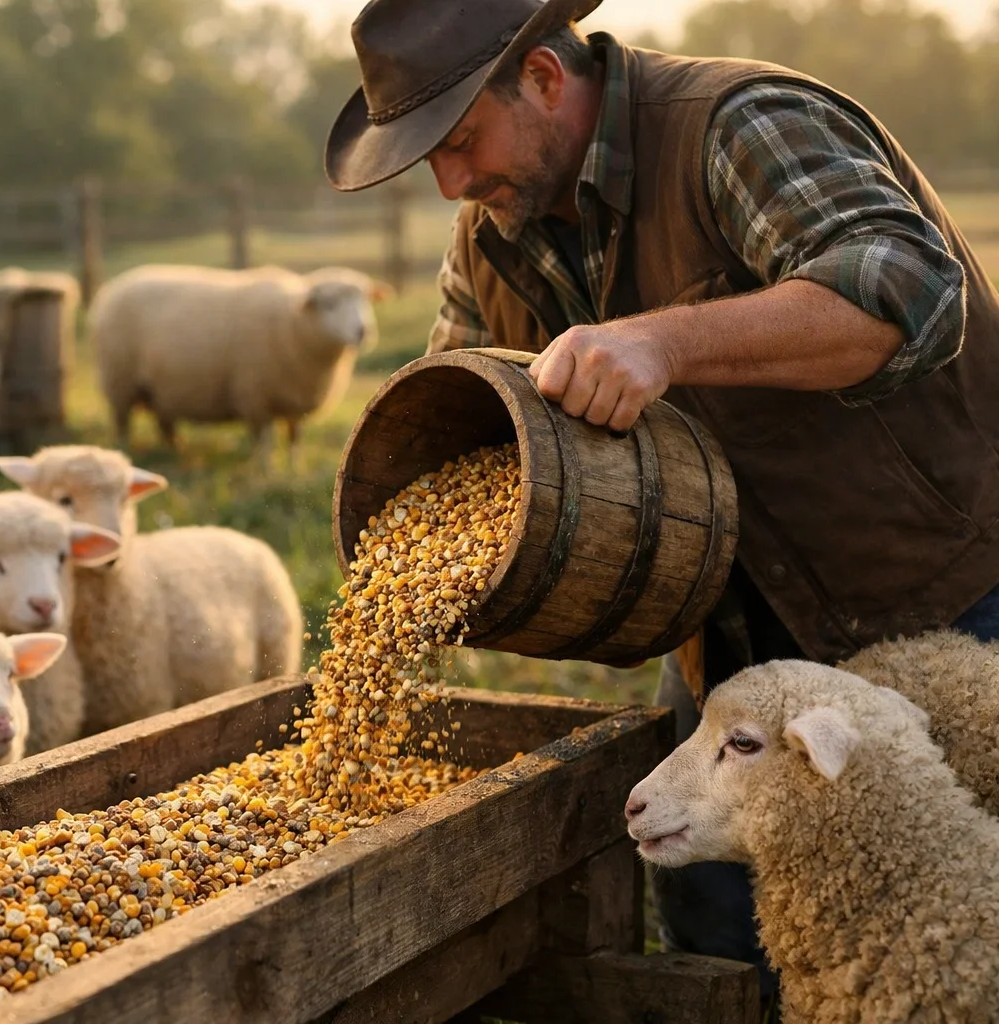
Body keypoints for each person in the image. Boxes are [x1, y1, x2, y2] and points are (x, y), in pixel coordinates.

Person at [323, 0, 999, 1012]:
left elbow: (907, 290)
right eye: (431, 157)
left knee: (962, 926)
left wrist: (665, 341)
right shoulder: (493, 239)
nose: (452, 181)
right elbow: (455, 411)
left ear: (546, 80)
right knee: (727, 936)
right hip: (729, 636)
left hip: (936, 590)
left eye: (460, 140)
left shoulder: (735, 125)